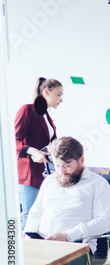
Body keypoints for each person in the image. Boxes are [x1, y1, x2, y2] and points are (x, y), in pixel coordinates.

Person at [24, 136, 110, 265]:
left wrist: (68, 235)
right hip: (41, 245)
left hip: (77, 248)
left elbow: (105, 221)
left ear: (81, 160)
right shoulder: (49, 181)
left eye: (67, 165)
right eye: (57, 165)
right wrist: (29, 233)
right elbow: (36, 211)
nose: (61, 171)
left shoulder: (98, 184)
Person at [15, 77, 63, 230]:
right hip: (29, 173)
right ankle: (17, 253)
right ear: (47, 92)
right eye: (59, 94)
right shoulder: (27, 110)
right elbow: (13, 140)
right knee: (29, 216)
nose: (61, 99)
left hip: (44, 173)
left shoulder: (47, 117)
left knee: (40, 217)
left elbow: (51, 144)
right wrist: (33, 150)